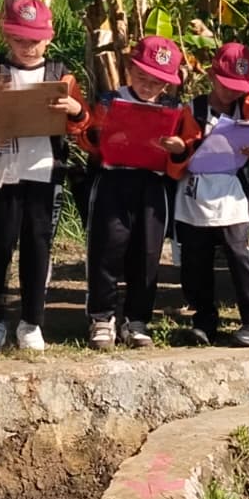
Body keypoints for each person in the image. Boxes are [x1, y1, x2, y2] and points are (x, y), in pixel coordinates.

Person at [0, 0, 74, 355]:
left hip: (43, 172)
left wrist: (73, 110)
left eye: (34, 40)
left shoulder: (59, 73)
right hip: (0, 172)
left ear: (49, 38)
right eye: (19, 40)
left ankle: (32, 320)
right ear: (6, 36)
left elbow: (82, 122)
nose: (27, 48)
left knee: (37, 247)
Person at [75, 36, 195, 349]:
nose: (148, 86)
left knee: (147, 253)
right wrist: (100, 135)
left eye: (157, 82)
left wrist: (178, 150)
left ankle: (137, 318)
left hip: (153, 185)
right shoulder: (110, 100)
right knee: (106, 248)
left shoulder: (175, 110)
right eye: (142, 77)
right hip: (114, 180)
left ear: (167, 84)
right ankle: (102, 317)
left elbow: (182, 159)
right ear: (130, 70)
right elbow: (88, 142)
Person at [175, 42, 249, 343]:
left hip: (233, 193)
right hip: (195, 192)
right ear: (212, 76)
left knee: (239, 253)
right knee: (195, 259)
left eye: (238, 86)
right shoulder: (193, 110)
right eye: (226, 84)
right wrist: (185, 149)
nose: (231, 92)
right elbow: (178, 155)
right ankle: (204, 318)